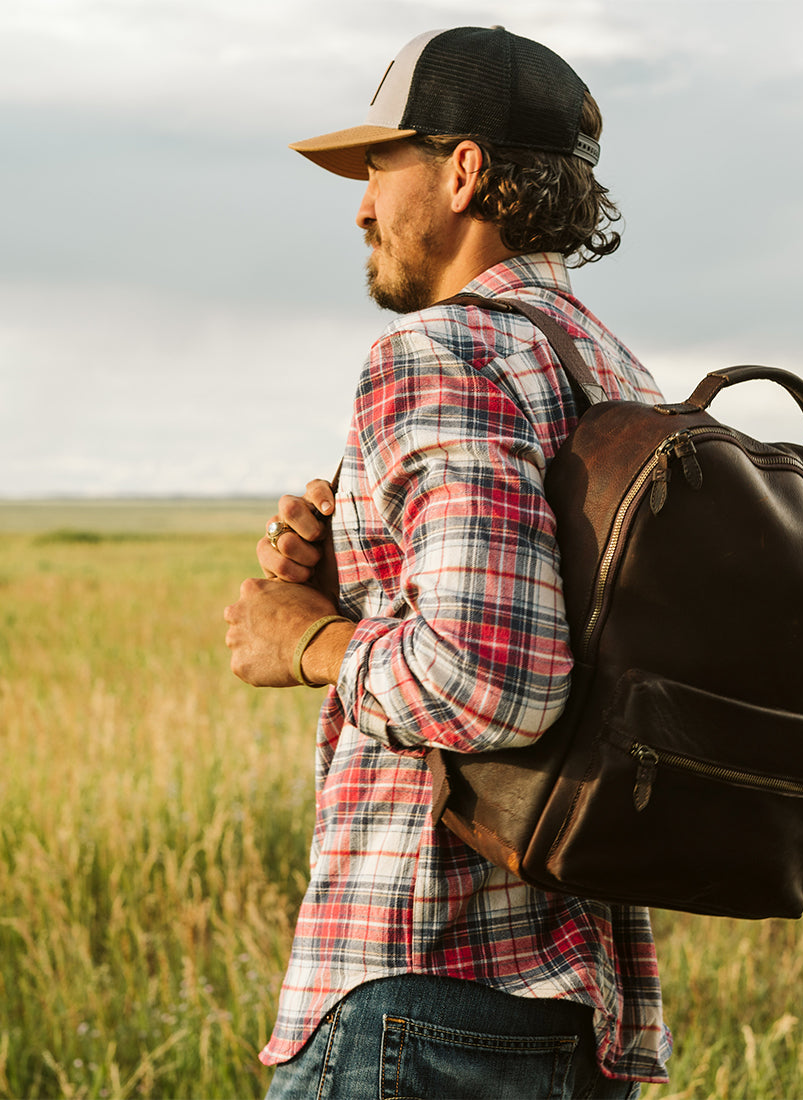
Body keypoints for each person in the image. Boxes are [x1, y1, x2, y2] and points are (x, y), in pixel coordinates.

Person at [224, 26, 672, 1099]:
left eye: (381, 165)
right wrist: (360, 584)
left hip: (421, 995)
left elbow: (494, 679)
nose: (363, 204)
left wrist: (309, 640)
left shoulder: (442, 353)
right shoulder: (615, 370)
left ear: (464, 168)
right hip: (570, 997)